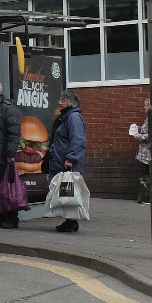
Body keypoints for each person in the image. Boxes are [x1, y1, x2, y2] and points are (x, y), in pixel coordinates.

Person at [45, 89, 87, 232]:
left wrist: (71, 159)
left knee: (68, 193)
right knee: (65, 193)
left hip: (68, 164)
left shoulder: (73, 117)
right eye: (60, 100)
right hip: (61, 161)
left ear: (71, 103)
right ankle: (69, 221)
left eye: (63, 100)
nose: (60, 103)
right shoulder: (66, 117)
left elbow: (78, 140)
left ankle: (71, 222)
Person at [0, 78, 22, 229]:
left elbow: (14, 133)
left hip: (3, 157)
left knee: (7, 188)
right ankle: (0, 216)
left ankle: (12, 218)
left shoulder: (8, 109)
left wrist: (10, 154)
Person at [130, 97, 152, 204]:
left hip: (147, 152)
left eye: (146, 105)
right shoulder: (149, 119)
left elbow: (150, 135)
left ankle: (147, 197)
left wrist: (136, 135)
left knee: (146, 174)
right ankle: (145, 196)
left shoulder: (151, 119)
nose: (144, 107)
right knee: (146, 174)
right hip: (146, 152)